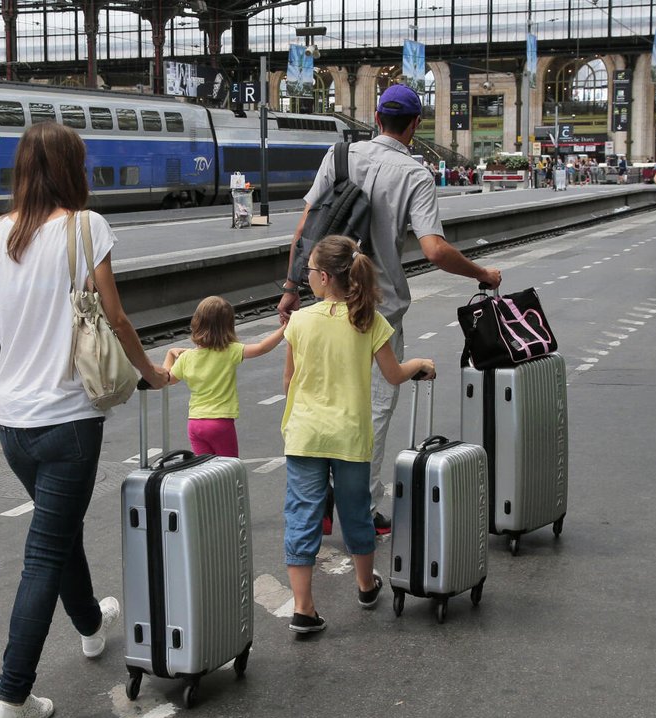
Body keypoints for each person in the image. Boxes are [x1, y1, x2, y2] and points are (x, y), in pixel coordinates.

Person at [0, 121, 169, 718]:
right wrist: (150, 373)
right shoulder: (88, 228)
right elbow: (116, 316)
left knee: (58, 532)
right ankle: (13, 695)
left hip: (17, 428)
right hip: (71, 421)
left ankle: (88, 625)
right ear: (71, 170)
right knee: (45, 552)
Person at [277, 83, 501, 536]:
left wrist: (290, 286)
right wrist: (482, 274)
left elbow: (305, 227)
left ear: (377, 118)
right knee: (372, 409)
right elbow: (434, 250)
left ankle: (317, 500)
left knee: (315, 398)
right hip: (375, 310)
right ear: (415, 126)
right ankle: (361, 506)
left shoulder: (339, 156)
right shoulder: (415, 175)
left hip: (322, 298)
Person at [280, 235, 437, 634]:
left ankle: (303, 607)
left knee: (302, 515)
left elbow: (289, 382)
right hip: (349, 436)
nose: (307, 278)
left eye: (310, 272)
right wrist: (419, 362)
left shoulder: (299, 322)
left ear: (325, 278)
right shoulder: (369, 320)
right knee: (356, 513)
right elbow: (393, 375)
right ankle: (366, 586)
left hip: (305, 435)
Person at [162, 295, 286, 458]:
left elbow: (167, 379)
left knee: (205, 472)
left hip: (195, 423)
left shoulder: (186, 357)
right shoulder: (229, 351)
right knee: (228, 470)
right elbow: (262, 347)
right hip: (220, 422)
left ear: (196, 323)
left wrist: (170, 354)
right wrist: (285, 328)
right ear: (228, 326)